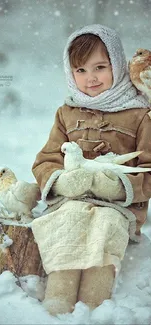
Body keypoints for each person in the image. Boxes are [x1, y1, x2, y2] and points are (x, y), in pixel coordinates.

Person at [31, 24, 151, 316]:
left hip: (119, 208)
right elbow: (45, 161)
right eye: (80, 71)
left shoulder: (140, 114)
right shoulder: (66, 112)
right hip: (71, 201)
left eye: (100, 67)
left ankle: (95, 302)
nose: (91, 78)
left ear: (117, 65)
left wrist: (118, 187)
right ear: (70, 73)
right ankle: (59, 297)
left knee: (105, 225)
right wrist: (62, 182)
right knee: (68, 222)